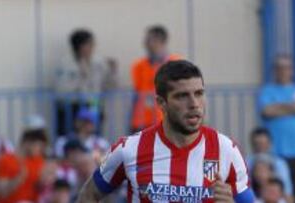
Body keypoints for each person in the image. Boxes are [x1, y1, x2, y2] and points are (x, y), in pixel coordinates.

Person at [77, 60, 255, 202]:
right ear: (161, 103)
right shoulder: (129, 149)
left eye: (199, 93)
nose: (194, 103)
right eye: (182, 96)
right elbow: (89, 195)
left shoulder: (227, 150)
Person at [258, 55, 295, 201]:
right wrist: (294, 107)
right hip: (275, 152)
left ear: (292, 70)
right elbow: (267, 111)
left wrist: (280, 106)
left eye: (287, 67)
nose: (283, 71)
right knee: (275, 193)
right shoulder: (267, 90)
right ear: (275, 71)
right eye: (279, 68)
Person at [54, 28, 118, 135]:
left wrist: (113, 72)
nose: (92, 48)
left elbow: (110, 85)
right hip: (72, 108)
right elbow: (61, 91)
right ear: (79, 46)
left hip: (93, 106)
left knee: (94, 139)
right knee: (71, 138)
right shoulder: (65, 64)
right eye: (89, 44)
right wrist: (80, 77)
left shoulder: (99, 62)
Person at [130, 25, 181, 132]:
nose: (146, 43)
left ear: (161, 41)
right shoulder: (138, 66)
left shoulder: (175, 63)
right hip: (141, 121)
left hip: (165, 120)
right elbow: (137, 93)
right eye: (146, 40)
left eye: (149, 40)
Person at [0, 129, 48, 203]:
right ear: (27, 143)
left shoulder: (39, 161)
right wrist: (18, 179)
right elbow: (1, 193)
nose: (40, 150)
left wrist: (43, 184)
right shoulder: (6, 160)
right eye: (39, 146)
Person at [247, 127, 294, 202]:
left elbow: (288, 194)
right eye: (257, 144)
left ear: (270, 144)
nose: (260, 147)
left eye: (263, 144)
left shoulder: (280, 164)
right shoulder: (245, 163)